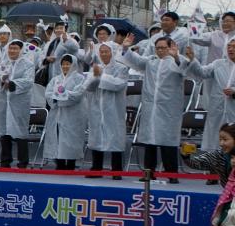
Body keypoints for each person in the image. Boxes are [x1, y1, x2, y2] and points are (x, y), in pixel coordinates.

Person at [121, 34, 190, 182]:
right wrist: (126, 48)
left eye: (163, 48)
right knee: (149, 142)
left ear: (171, 47)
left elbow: (183, 68)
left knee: (168, 142)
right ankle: (148, 173)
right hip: (151, 107)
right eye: (157, 48)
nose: (160, 51)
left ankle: (172, 175)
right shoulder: (151, 62)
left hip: (169, 109)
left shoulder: (177, 61)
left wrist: (176, 56)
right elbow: (135, 60)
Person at [85, 43, 130, 177]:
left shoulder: (121, 68)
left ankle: (116, 170)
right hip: (97, 107)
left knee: (115, 137)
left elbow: (118, 84)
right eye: (101, 52)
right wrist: (95, 77)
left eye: (106, 51)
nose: (103, 54)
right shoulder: (95, 67)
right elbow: (89, 86)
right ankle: (96, 168)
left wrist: (101, 76)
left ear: (112, 52)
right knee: (97, 136)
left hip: (114, 108)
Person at [185, 38, 235, 156]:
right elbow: (202, 72)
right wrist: (193, 59)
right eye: (229, 46)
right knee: (216, 143)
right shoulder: (218, 64)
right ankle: (213, 170)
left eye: (234, 46)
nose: (231, 49)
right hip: (217, 111)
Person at [0, 40, 37, 169]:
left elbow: (28, 81)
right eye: (10, 48)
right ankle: (5, 160)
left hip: (19, 102)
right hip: (4, 101)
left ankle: (23, 161)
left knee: (20, 132)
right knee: (4, 131)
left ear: (21, 50)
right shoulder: (3, 63)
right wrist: (1, 80)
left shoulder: (28, 64)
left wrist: (11, 84)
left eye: (15, 48)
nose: (12, 51)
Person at [43, 54, 89, 171]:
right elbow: (48, 93)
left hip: (73, 115)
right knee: (58, 138)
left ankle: (71, 164)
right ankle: (60, 163)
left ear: (73, 64)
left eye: (68, 64)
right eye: (63, 64)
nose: (65, 66)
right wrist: (58, 97)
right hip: (57, 114)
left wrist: (62, 95)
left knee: (71, 139)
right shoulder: (56, 79)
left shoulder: (80, 78)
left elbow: (78, 94)